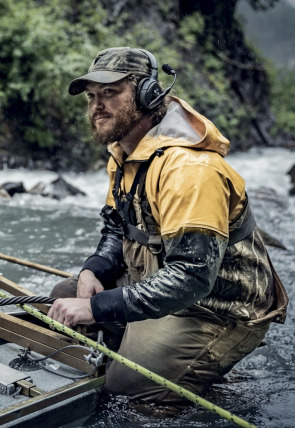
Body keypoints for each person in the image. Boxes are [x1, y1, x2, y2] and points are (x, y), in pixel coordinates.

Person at [48, 47, 288, 414]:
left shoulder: (190, 170)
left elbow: (191, 278)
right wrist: (94, 268)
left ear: (148, 94)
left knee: (126, 389)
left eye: (110, 93)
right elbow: (117, 229)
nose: (97, 105)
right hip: (161, 282)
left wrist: (98, 307)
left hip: (218, 308)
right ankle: (171, 361)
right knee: (63, 295)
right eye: (92, 96)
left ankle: (178, 381)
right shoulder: (123, 155)